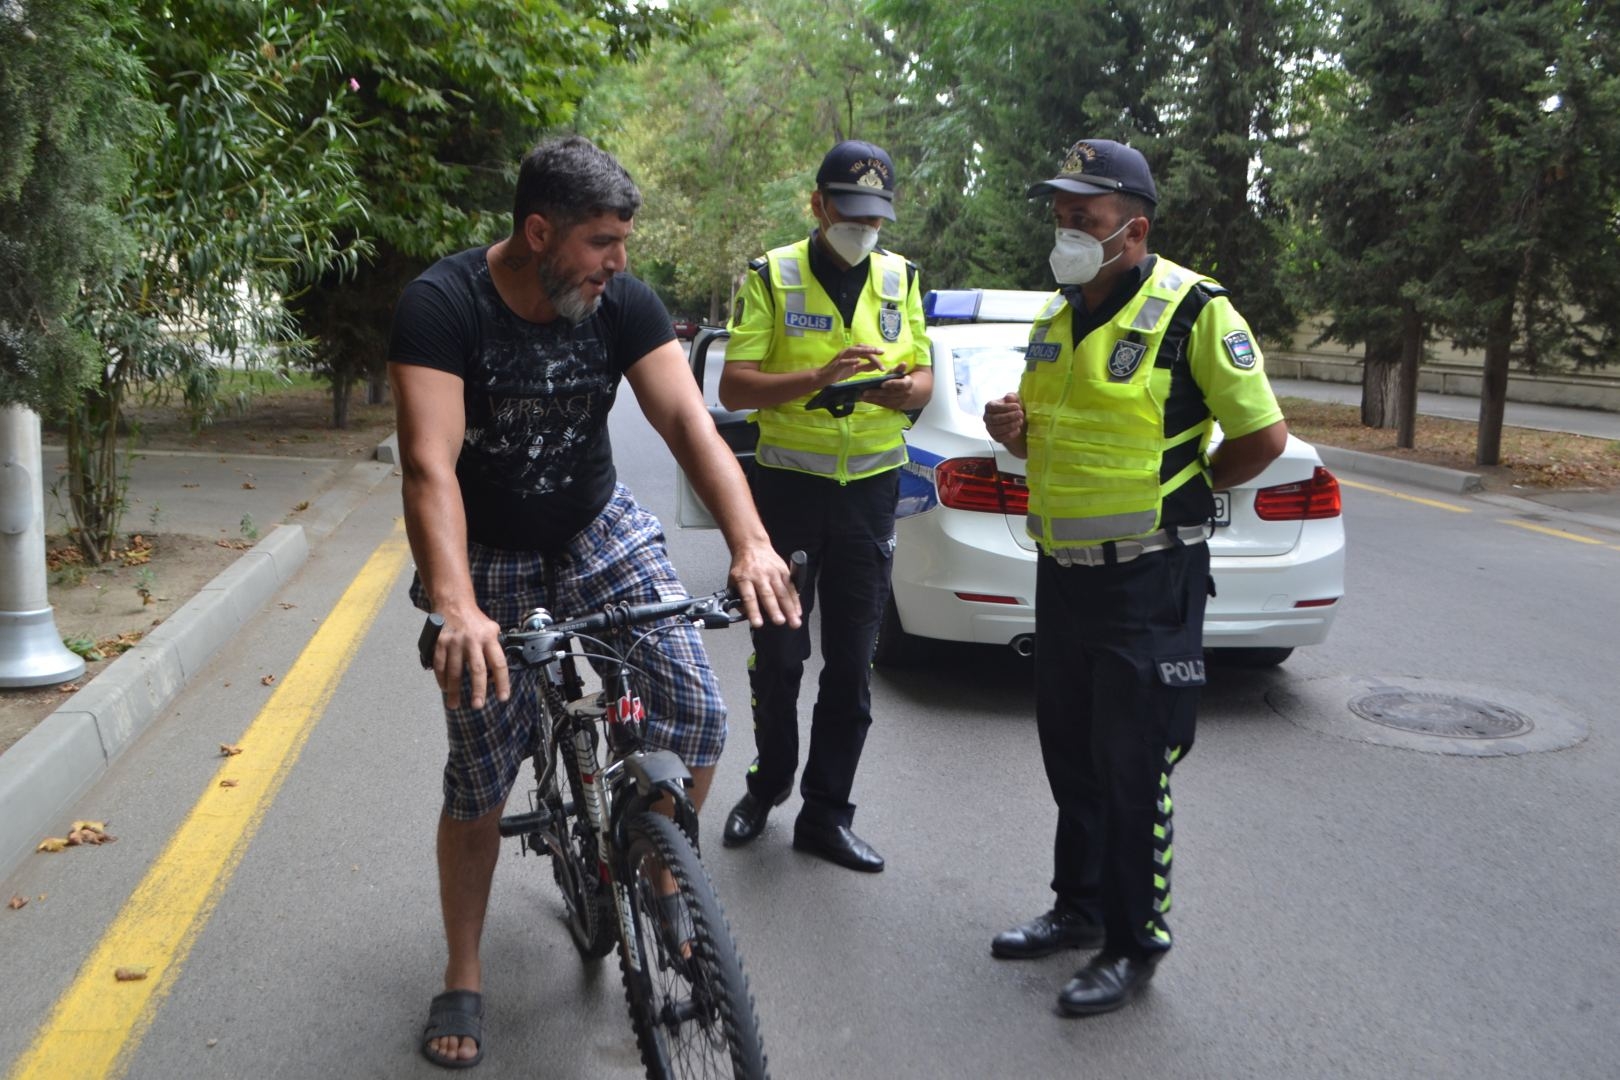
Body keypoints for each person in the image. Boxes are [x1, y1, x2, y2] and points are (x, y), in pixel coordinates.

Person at [388, 134, 801, 1070]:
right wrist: (455, 603)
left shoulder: (622, 303)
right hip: (485, 553)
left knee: (695, 712)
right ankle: (464, 967)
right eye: (603, 242)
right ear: (540, 233)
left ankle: (657, 872)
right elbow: (428, 468)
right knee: (482, 776)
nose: (620, 262)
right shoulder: (442, 306)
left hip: (593, 526)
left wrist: (750, 541)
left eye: (624, 242)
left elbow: (688, 422)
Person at [983, 138, 1287, 1016]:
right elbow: (1057, 433)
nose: (1066, 230)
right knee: (1068, 752)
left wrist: (1187, 492)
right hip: (1065, 573)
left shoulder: (1195, 311)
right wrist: (1017, 429)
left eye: (1085, 218)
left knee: (1132, 764)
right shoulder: (1054, 318)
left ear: (1134, 228)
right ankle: (1076, 909)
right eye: (1061, 216)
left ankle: (1131, 942)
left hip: (1150, 581)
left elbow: (1262, 437)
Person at [716, 140, 933, 873]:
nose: (863, 227)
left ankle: (826, 814)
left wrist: (909, 393)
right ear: (818, 204)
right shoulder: (771, 275)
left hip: (871, 495)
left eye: (876, 216)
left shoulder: (902, 278)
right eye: (849, 210)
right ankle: (768, 784)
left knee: (851, 667)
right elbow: (736, 389)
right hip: (788, 492)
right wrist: (819, 378)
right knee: (778, 657)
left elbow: (925, 376)